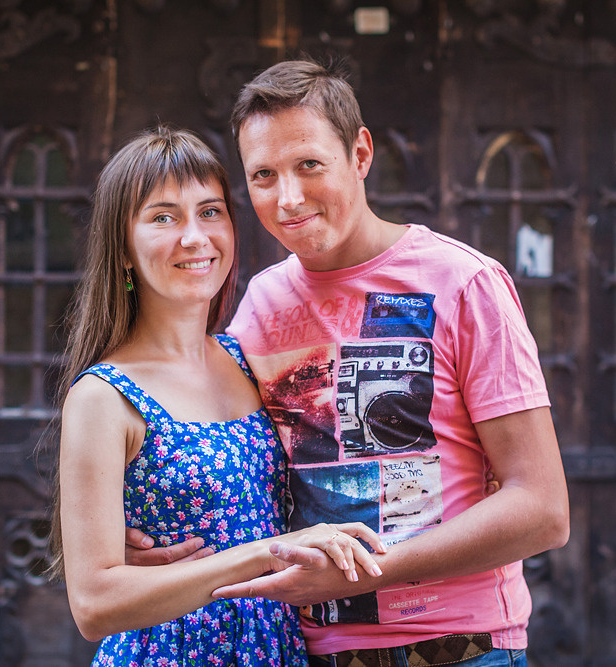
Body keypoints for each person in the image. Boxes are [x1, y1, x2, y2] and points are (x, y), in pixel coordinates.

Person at [127, 60, 571, 666]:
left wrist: (365, 570)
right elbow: (211, 452)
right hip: (312, 650)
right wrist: (138, 538)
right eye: (263, 175)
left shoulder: (464, 283)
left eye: (309, 164)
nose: (288, 198)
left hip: (459, 647)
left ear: (360, 154)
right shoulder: (260, 304)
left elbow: (542, 510)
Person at [50, 125, 387, 666]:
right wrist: (261, 556)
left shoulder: (248, 358)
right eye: (163, 218)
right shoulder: (103, 396)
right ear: (123, 249)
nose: (194, 237)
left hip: (276, 649)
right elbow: (93, 605)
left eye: (210, 212)